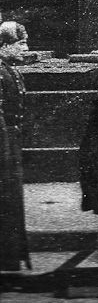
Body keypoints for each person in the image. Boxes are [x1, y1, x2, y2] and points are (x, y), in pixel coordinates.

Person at [0, 20, 31, 272]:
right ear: (4, 45)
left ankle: (10, 258)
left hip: (11, 139)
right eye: (20, 44)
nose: (25, 48)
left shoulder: (9, 68)